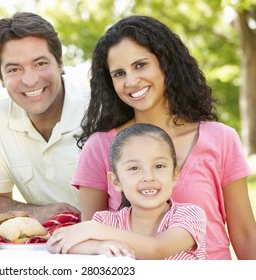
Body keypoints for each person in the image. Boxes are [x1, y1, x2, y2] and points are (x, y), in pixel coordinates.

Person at [71, 15, 256, 259]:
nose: (131, 81)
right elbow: (91, 240)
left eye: (140, 65)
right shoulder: (100, 147)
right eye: (119, 73)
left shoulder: (220, 139)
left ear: (165, 64)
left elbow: (244, 233)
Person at [0, 12, 89, 223]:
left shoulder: (100, 110)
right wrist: (39, 213)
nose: (30, 81)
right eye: (14, 69)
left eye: (40, 64)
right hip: (44, 246)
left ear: (60, 63)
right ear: (0, 76)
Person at [47, 123, 207, 259]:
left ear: (174, 175)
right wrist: (101, 246)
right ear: (116, 181)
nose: (148, 177)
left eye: (159, 166)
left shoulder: (190, 215)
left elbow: (158, 249)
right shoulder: (107, 221)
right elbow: (54, 245)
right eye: (134, 168)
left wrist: (93, 230)